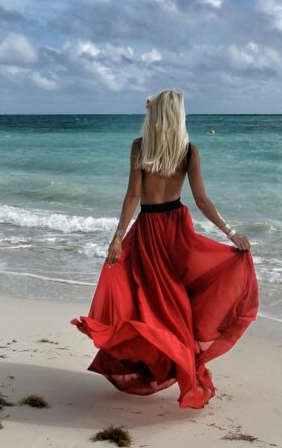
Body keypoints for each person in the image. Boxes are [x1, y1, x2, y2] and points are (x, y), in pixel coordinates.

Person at [70, 89, 259, 409]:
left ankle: (163, 366)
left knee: (147, 305)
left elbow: (132, 197)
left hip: (147, 231)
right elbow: (201, 200)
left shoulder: (139, 147)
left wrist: (119, 235)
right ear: (179, 116)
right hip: (177, 232)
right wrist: (230, 232)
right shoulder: (188, 151)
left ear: (154, 115)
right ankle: (186, 371)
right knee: (177, 308)